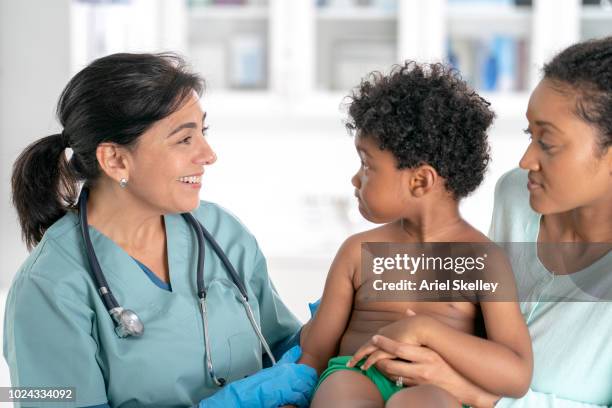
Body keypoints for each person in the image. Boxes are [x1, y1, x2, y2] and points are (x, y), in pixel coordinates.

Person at [4, 53, 317, 407]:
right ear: (116, 160)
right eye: (184, 140)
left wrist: (340, 317)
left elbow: (276, 349)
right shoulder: (47, 287)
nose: (208, 154)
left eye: (203, 132)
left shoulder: (221, 233)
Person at [352, 37, 612, 407]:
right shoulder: (517, 196)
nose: (526, 161)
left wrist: (476, 395)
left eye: (548, 143)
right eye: (529, 135)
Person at [296, 62, 533, 407]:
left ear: (420, 181)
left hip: (438, 386)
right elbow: (315, 353)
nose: (355, 179)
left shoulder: (484, 262)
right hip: (355, 371)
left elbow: (515, 374)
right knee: (341, 392)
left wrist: (429, 330)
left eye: (367, 165)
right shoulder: (356, 252)